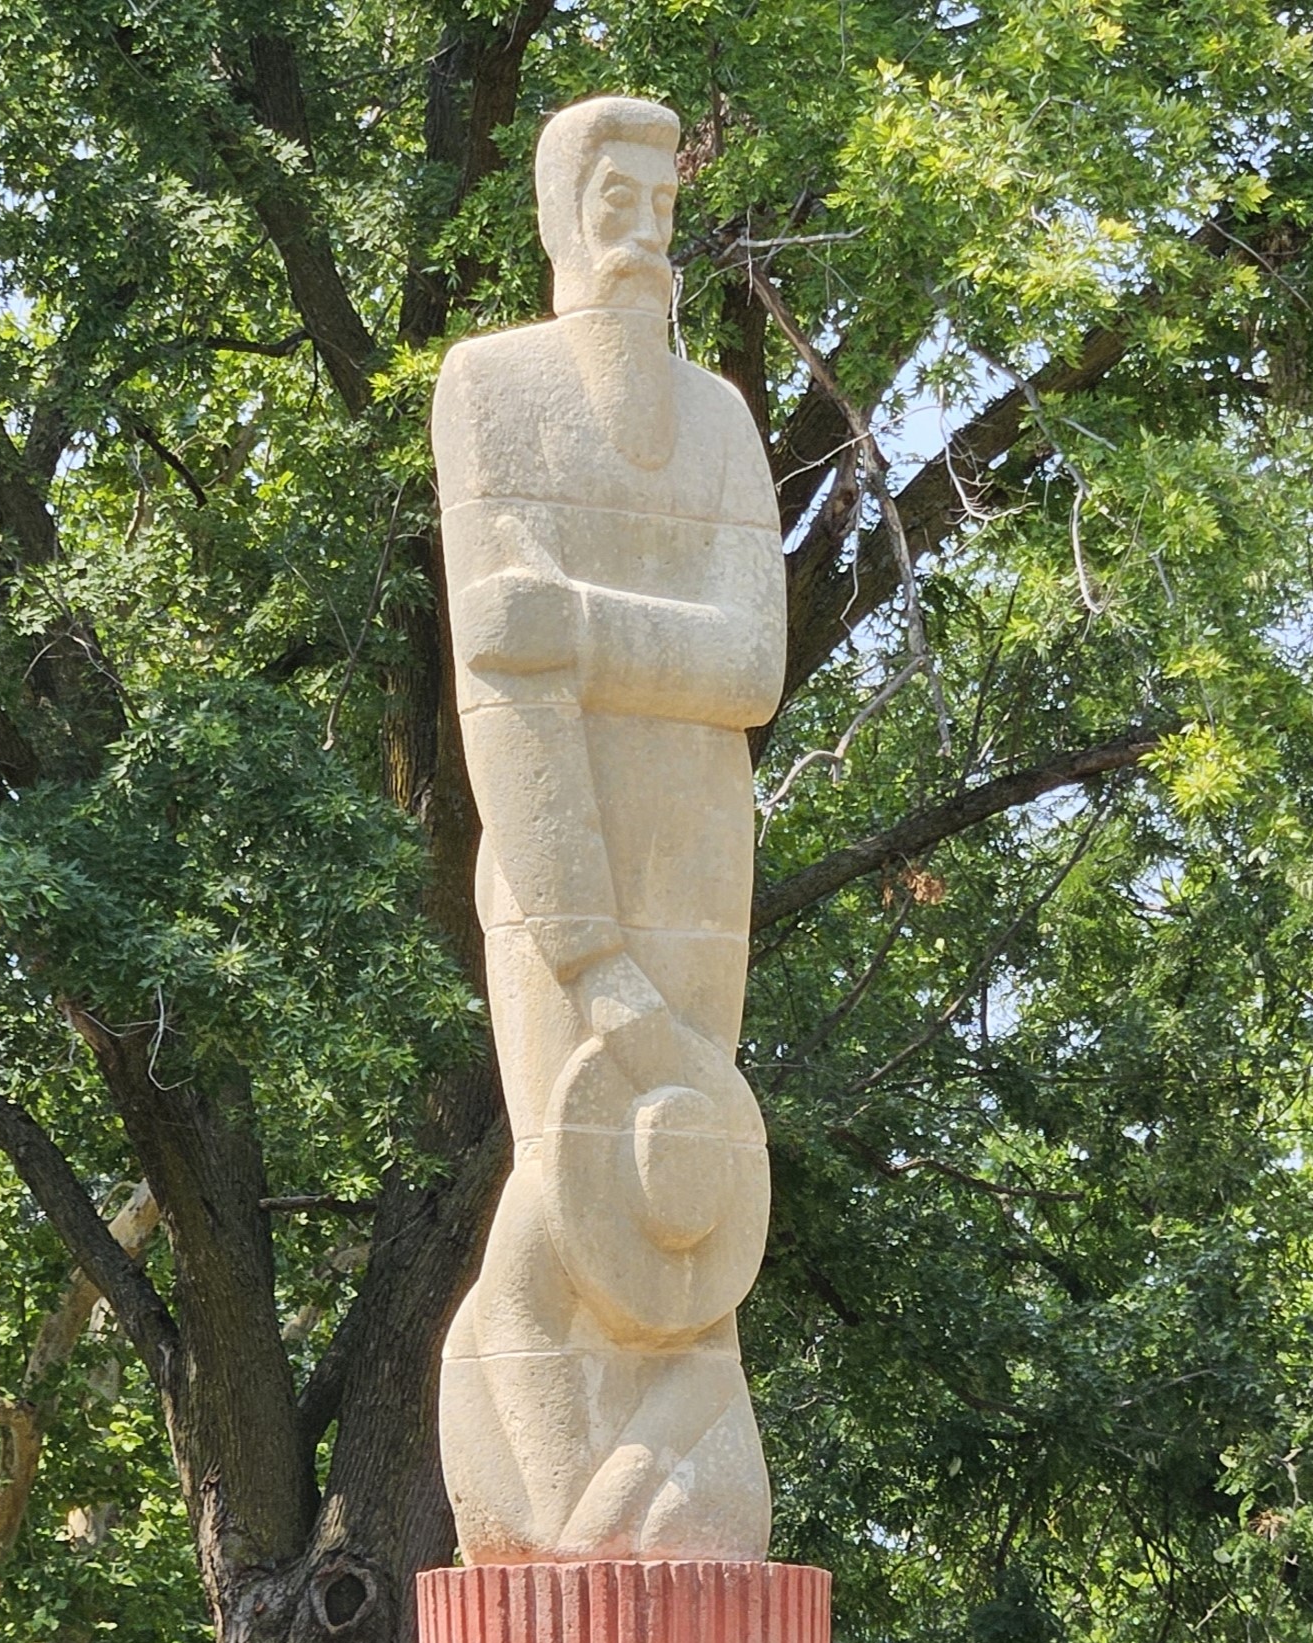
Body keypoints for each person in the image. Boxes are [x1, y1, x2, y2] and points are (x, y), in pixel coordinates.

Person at [432, 93, 787, 1562]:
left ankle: (659, 1480)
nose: (638, 233)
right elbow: (488, 666)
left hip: (701, 845)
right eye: (611, 200)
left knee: (686, 1173)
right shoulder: (490, 386)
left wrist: (571, 624)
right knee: (568, 1169)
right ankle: (553, 1493)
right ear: (557, 214)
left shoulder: (718, 421)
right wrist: (581, 939)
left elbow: (751, 665)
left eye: (660, 205)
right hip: (557, 854)